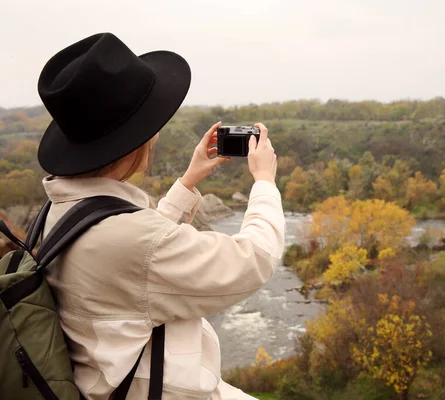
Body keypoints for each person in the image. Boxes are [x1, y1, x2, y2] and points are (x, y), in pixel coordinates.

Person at [35, 32, 284, 399]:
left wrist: (188, 180)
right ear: (136, 141)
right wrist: (264, 181)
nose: (155, 135)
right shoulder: (131, 238)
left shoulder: (58, 211)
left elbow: (134, 256)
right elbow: (253, 262)